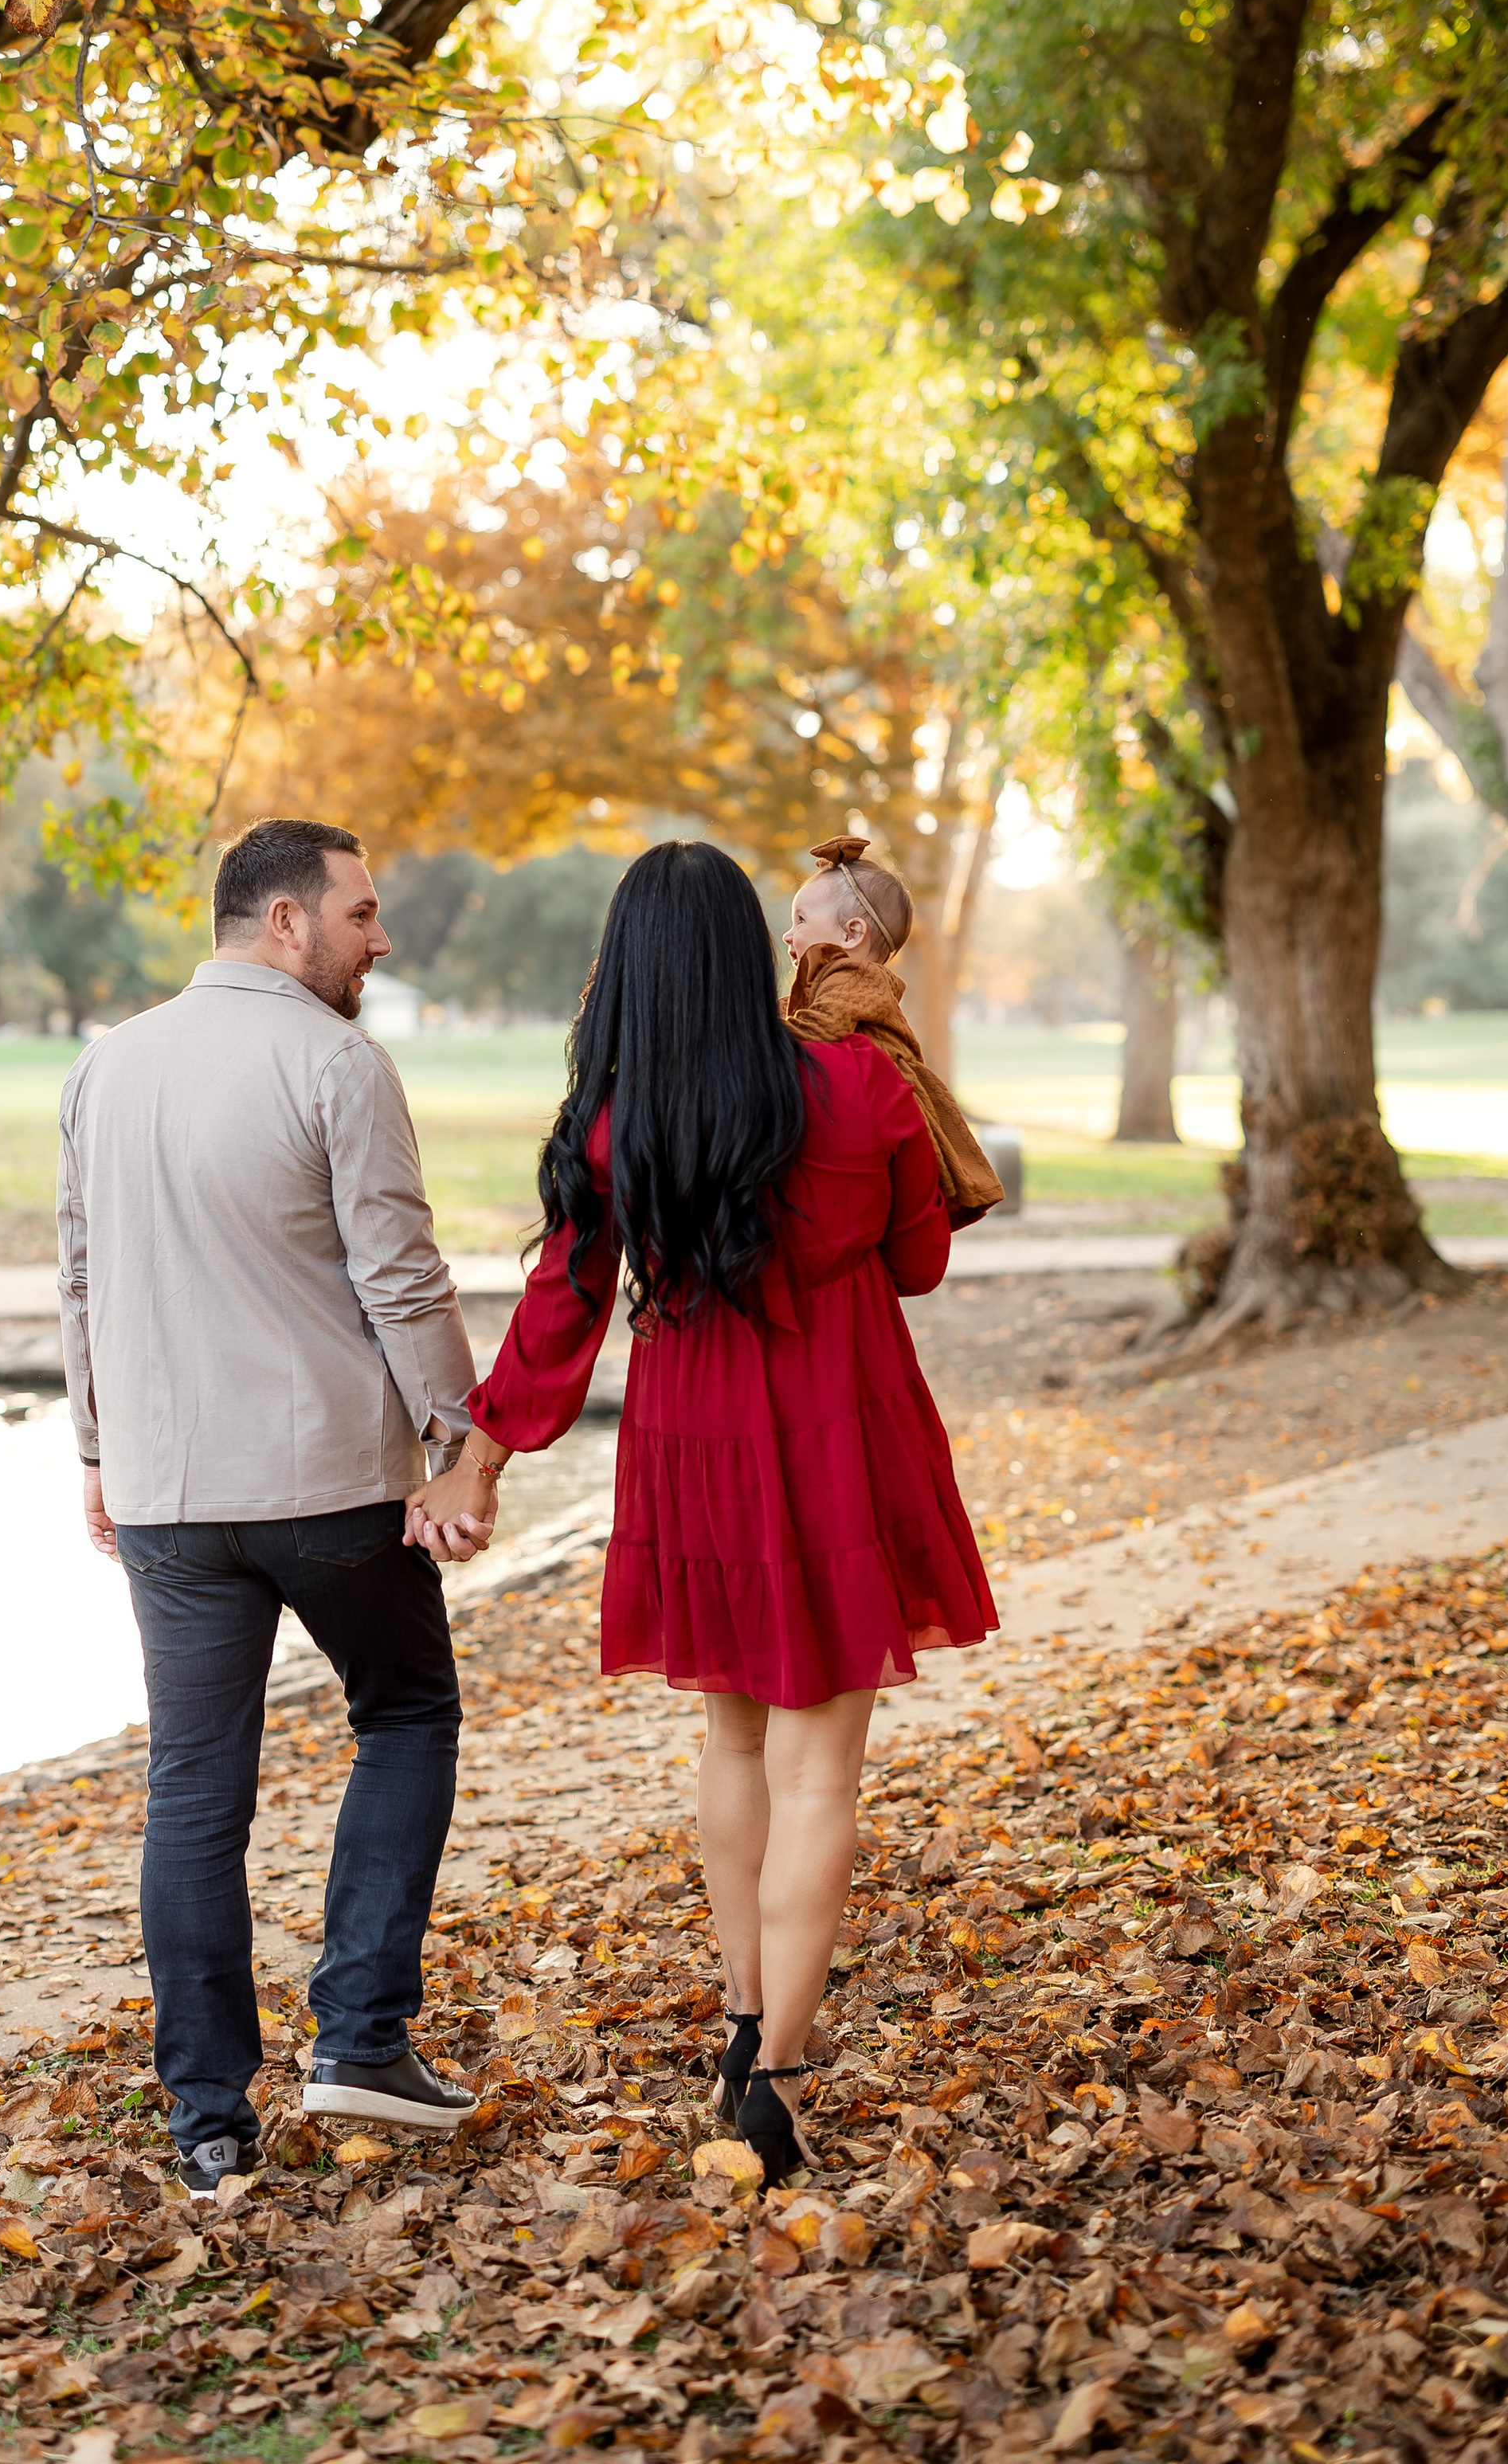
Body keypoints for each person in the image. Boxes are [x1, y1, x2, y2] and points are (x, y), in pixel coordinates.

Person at [406, 840, 997, 2184]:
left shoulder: (621, 1124)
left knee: (735, 1752)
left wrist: (479, 1465)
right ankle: (779, 2072)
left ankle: (742, 2029)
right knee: (818, 1772)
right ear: (760, 951)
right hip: (845, 1432)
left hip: (698, 1451)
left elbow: (560, 1310)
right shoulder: (864, 1085)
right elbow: (917, 1264)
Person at [59, 816, 497, 2196]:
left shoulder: (104, 1067)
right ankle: (360, 2037)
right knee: (409, 1712)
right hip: (325, 1491)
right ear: (284, 923)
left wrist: (96, 1449)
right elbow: (403, 1277)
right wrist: (461, 1438)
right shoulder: (335, 1061)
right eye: (361, 915)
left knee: (193, 1792)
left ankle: (209, 2119)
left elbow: (80, 1276)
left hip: (170, 1497)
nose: (380, 939)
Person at [783, 832, 1007, 1229]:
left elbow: (821, 1027)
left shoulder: (854, 975)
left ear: (852, 934)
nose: (788, 934)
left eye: (800, 920)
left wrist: (757, 1038)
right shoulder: (826, 981)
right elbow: (795, 1013)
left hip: (886, 1102)